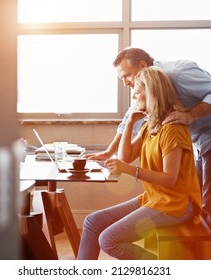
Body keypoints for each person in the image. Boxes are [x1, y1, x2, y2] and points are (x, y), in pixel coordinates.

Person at [87, 47, 211, 259]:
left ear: (142, 67)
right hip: (199, 137)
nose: (127, 84)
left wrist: (189, 115)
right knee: (196, 200)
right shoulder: (151, 107)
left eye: (126, 76)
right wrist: (110, 150)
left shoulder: (178, 73)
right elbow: (131, 116)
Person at [77, 67, 202, 260]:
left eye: (136, 92)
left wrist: (130, 170)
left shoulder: (173, 128)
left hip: (175, 205)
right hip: (155, 198)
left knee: (108, 240)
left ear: (150, 93)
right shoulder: (149, 125)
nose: (134, 97)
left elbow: (170, 179)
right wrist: (129, 123)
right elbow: (125, 156)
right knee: (92, 222)